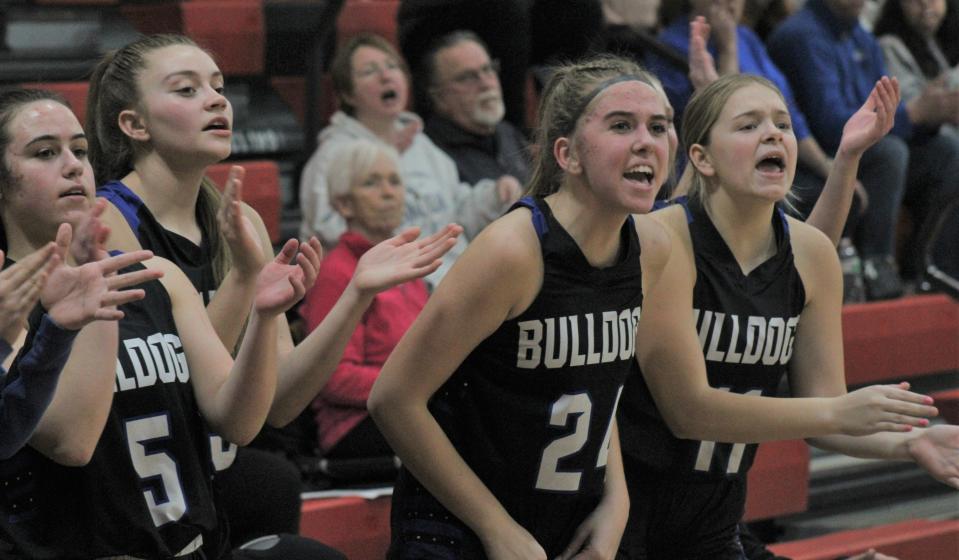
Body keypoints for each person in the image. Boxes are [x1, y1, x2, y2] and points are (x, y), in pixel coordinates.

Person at [85, 33, 460, 555]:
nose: (217, 100)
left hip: (209, 483)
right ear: (135, 124)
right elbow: (174, 384)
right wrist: (242, 281)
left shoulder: (242, 223)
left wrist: (355, 295)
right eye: (187, 89)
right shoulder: (108, 222)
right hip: (130, 501)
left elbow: (279, 402)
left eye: (218, 86)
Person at [621, 73, 959, 559]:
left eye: (781, 123)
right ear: (702, 158)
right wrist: (837, 410)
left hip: (712, 519)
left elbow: (825, 411)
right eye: (748, 125)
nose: (773, 133)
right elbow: (689, 411)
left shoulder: (812, 254)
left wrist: (912, 444)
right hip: (620, 517)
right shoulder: (660, 238)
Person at [369, 54, 673, 560]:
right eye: (622, 125)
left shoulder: (652, 248)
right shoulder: (514, 250)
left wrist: (616, 502)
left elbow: (600, 388)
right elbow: (393, 399)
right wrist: (496, 529)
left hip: (566, 522)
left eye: (659, 126)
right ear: (567, 154)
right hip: (459, 527)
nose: (647, 141)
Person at [0, 87, 321, 558]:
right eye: (45, 153)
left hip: (189, 545)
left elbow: (237, 420)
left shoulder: (158, 275)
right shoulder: (8, 302)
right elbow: (73, 442)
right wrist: (93, 303)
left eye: (81, 150)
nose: (73, 165)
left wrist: (264, 312)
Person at [768, 0, 959, 298]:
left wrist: (928, 114)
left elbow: (886, 109)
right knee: (890, 153)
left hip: (864, 144)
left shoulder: (861, 36)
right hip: (813, 154)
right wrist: (916, 114)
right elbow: (831, 126)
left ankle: (931, 267)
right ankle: (876, 262)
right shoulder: (801, 35)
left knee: (948, 151)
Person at [299, 32, 511, 289]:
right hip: (396, 293)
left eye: (392, 67)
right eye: (369, 71)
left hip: (456, 281)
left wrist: (492, 197)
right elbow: (327, 236)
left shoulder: (421, 144)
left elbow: (456, 214)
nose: (386, 76)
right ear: (347, 95)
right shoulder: (332, 156)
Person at [646, 1, 862, 223]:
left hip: (769, 158)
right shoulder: (674, 44)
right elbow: (716, 128)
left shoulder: (747, 38)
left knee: (838, 187)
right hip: (714, 170)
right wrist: (727, 49)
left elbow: (791, 118)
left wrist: (826, 166)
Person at [299, 139, 425, 463]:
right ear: (344, 204)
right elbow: (334, 378)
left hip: (411, 408)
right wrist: (418, 387)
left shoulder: (411, 266)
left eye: (394, 181)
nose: (388, 192)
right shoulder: (337, 273)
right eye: (371, 182)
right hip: (355, 426)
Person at [421, 30, 530, 187]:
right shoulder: (430, 154)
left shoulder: (507, 132)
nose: (486, 84)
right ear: (439, 97)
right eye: (467, 77)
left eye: (488, 69)